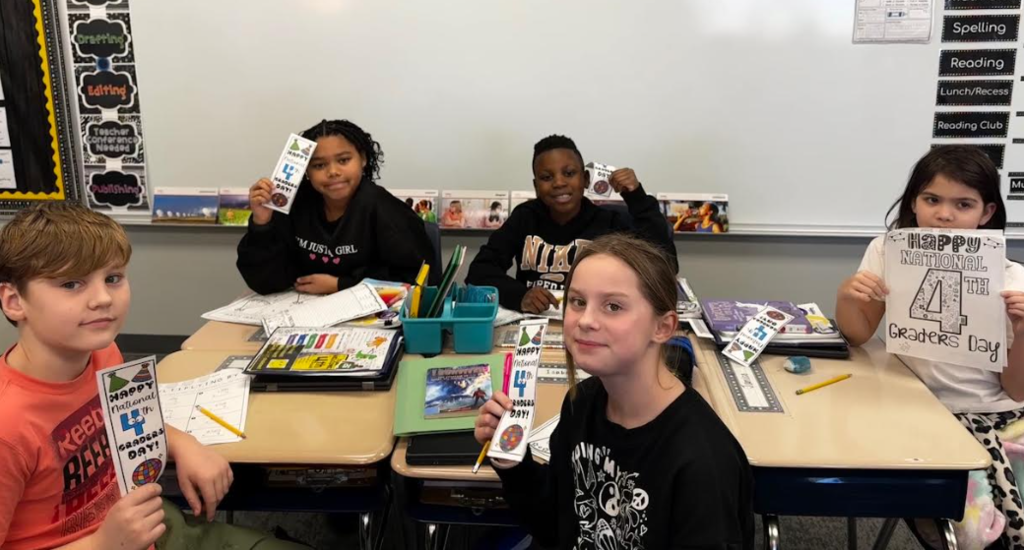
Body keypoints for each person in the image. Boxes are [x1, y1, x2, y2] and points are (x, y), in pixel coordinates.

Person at [0, 202, 307, 549]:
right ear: (14, 301)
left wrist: (182, 443)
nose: (102, 298)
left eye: (113, 278)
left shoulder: (104, 354)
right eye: (71, 284)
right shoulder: (8, 427)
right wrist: (100, 545)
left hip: (151, 528)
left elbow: (136, 422)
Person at [474, 233, 753, 549]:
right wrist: (512, 461)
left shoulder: (702, 461)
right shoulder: (582, 403)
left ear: (662, 327)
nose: (586, 320)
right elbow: (556, 524)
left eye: (613, 306)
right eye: (578, 301)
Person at [835, 145, 1024, 549]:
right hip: (914, 410)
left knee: (1002, 530)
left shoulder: (1012, 280)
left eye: (964, 204)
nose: (944, 214)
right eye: (932, 199)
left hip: (992, 416)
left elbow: (1018, 391)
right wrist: (848, 298)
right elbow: (858, 334)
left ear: (986, 213)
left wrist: (1022, 331)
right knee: (967, 529)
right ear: (914, 203)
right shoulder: (888, 251)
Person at [466, 135, 677, 313]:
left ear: (585, 179)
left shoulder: (608, 222)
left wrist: (637, 198)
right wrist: (520, 295)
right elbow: (479, 271)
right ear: (536, 186)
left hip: (595, 319)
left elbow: (665, 265)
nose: (559, 183)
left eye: (569, 173)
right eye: (547, 177)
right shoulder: (525, 217)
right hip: (536, 320)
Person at [237, 119, 436, 295]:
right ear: (306, 170)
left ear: (363, 159)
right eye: (319, 165)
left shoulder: (385, 209)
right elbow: (264, 282)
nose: (333, 172)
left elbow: (419, 278)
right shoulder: (294, 203)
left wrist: (343, 284)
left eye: (343, 160)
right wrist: (261, 223)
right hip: (302, 311)